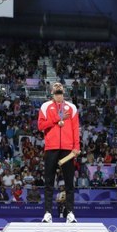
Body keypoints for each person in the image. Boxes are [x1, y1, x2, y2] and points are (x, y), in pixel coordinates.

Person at [37, 82, 80, 223]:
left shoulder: (71, 107)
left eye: (60, 93)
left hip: (68, 149)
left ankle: (70, 213)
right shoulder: (45, 106)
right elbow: (40, 126)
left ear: (64, 93)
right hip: (51, 147)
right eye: (56, 93)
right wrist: (57, 119)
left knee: (69, 182)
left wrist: (76, 147)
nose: (58, 95)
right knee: (49, 181)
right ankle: (48, 213)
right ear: (52, 94)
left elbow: (75, 128)